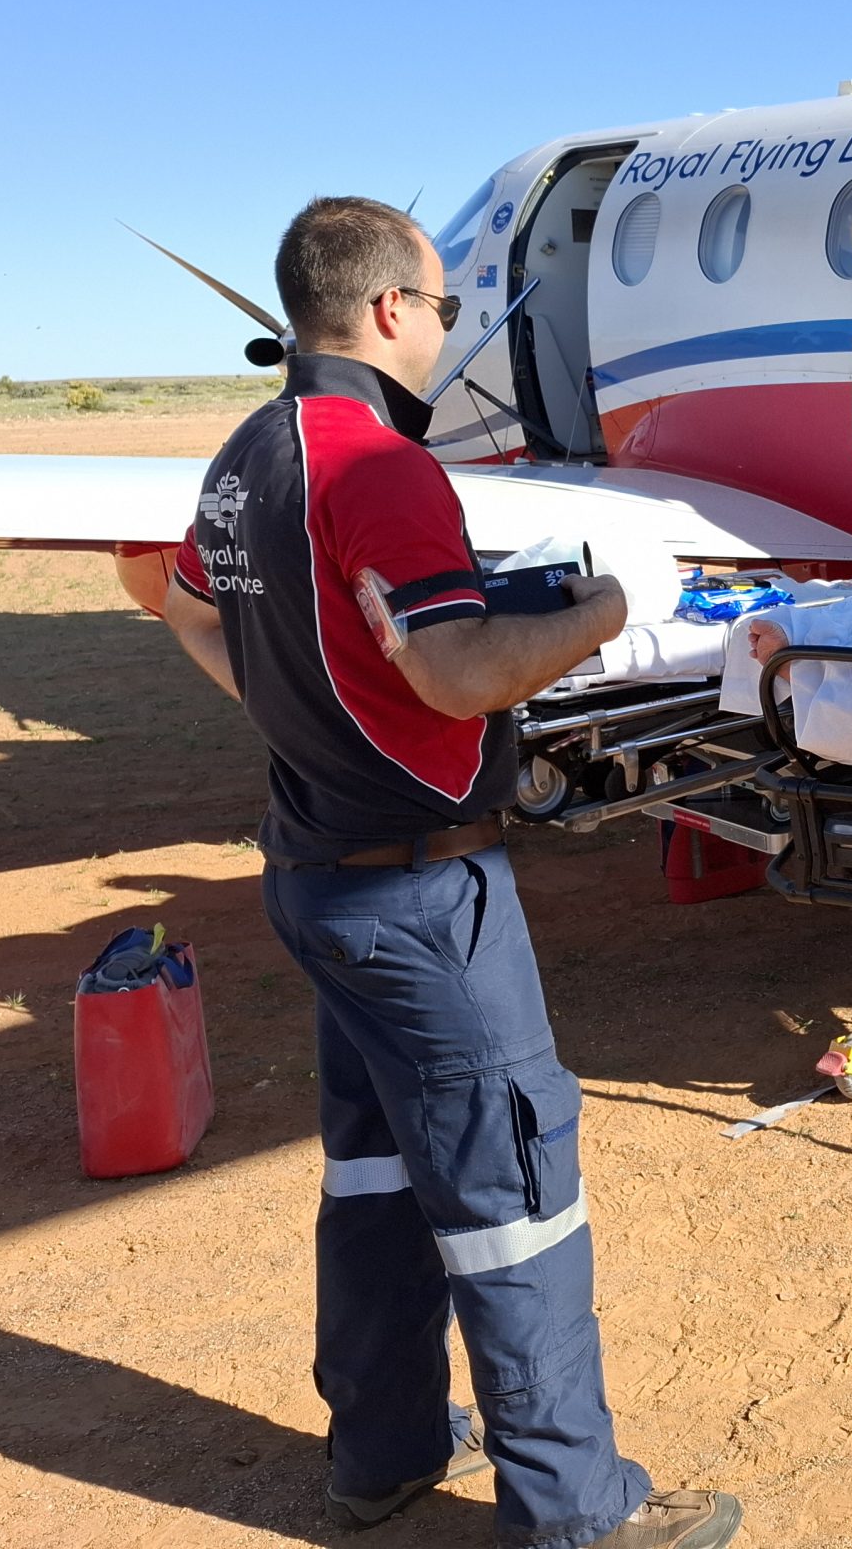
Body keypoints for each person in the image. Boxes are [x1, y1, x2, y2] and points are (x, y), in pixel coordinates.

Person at [158, 196, 739, 1549]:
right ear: (384, 313)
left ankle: (388, 1449)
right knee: (513, 1190)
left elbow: (188, 604)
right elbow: (460, 669)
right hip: (422, 896)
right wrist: (618, 606)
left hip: (312, 867)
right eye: (441, 309)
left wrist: (310, 706)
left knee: (372, 1172)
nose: (445, 332)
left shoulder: (247, 455)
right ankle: (577, 1510)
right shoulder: (377, 467)